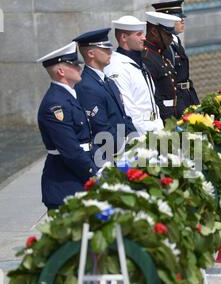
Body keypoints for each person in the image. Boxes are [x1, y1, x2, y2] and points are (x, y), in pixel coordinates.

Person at [37, 42, 99, 210]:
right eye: (74, 64)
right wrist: (94, 174)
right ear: (61, 71)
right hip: (66, 182)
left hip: (78, 176)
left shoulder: (69, 96)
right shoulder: (55, 105)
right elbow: (71, 150)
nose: (80, 67)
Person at [73, 28, 137, 165]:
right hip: (107, 156)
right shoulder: (86, 86)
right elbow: (101, 128)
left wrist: (136, 141)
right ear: (91, 53)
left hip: (121, 152)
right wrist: (127, 151)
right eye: (105, 49)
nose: (110, 52)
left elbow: (124, 118)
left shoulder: (108, 81)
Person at [104, 15, 163, 136]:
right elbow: (129, 111)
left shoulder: (139, 62)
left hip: (155, 129)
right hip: (140, 135)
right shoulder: (117, 67)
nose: (144, 38)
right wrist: (146, 139)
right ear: (124, 37)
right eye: (139, 34)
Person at [151, 0, 200, 116]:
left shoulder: (176, 41)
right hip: (177, 98)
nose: (183, 21)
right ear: (167, 21)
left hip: (187, 94)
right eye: (178, 19)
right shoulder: (164, 45)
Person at [142, 11, 181, 122]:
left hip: (174, 114)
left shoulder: (161, 55)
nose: (170, 38)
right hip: (163, 118)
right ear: (154, 32)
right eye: (168, 34)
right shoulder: (146, 57)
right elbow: (154, 96)